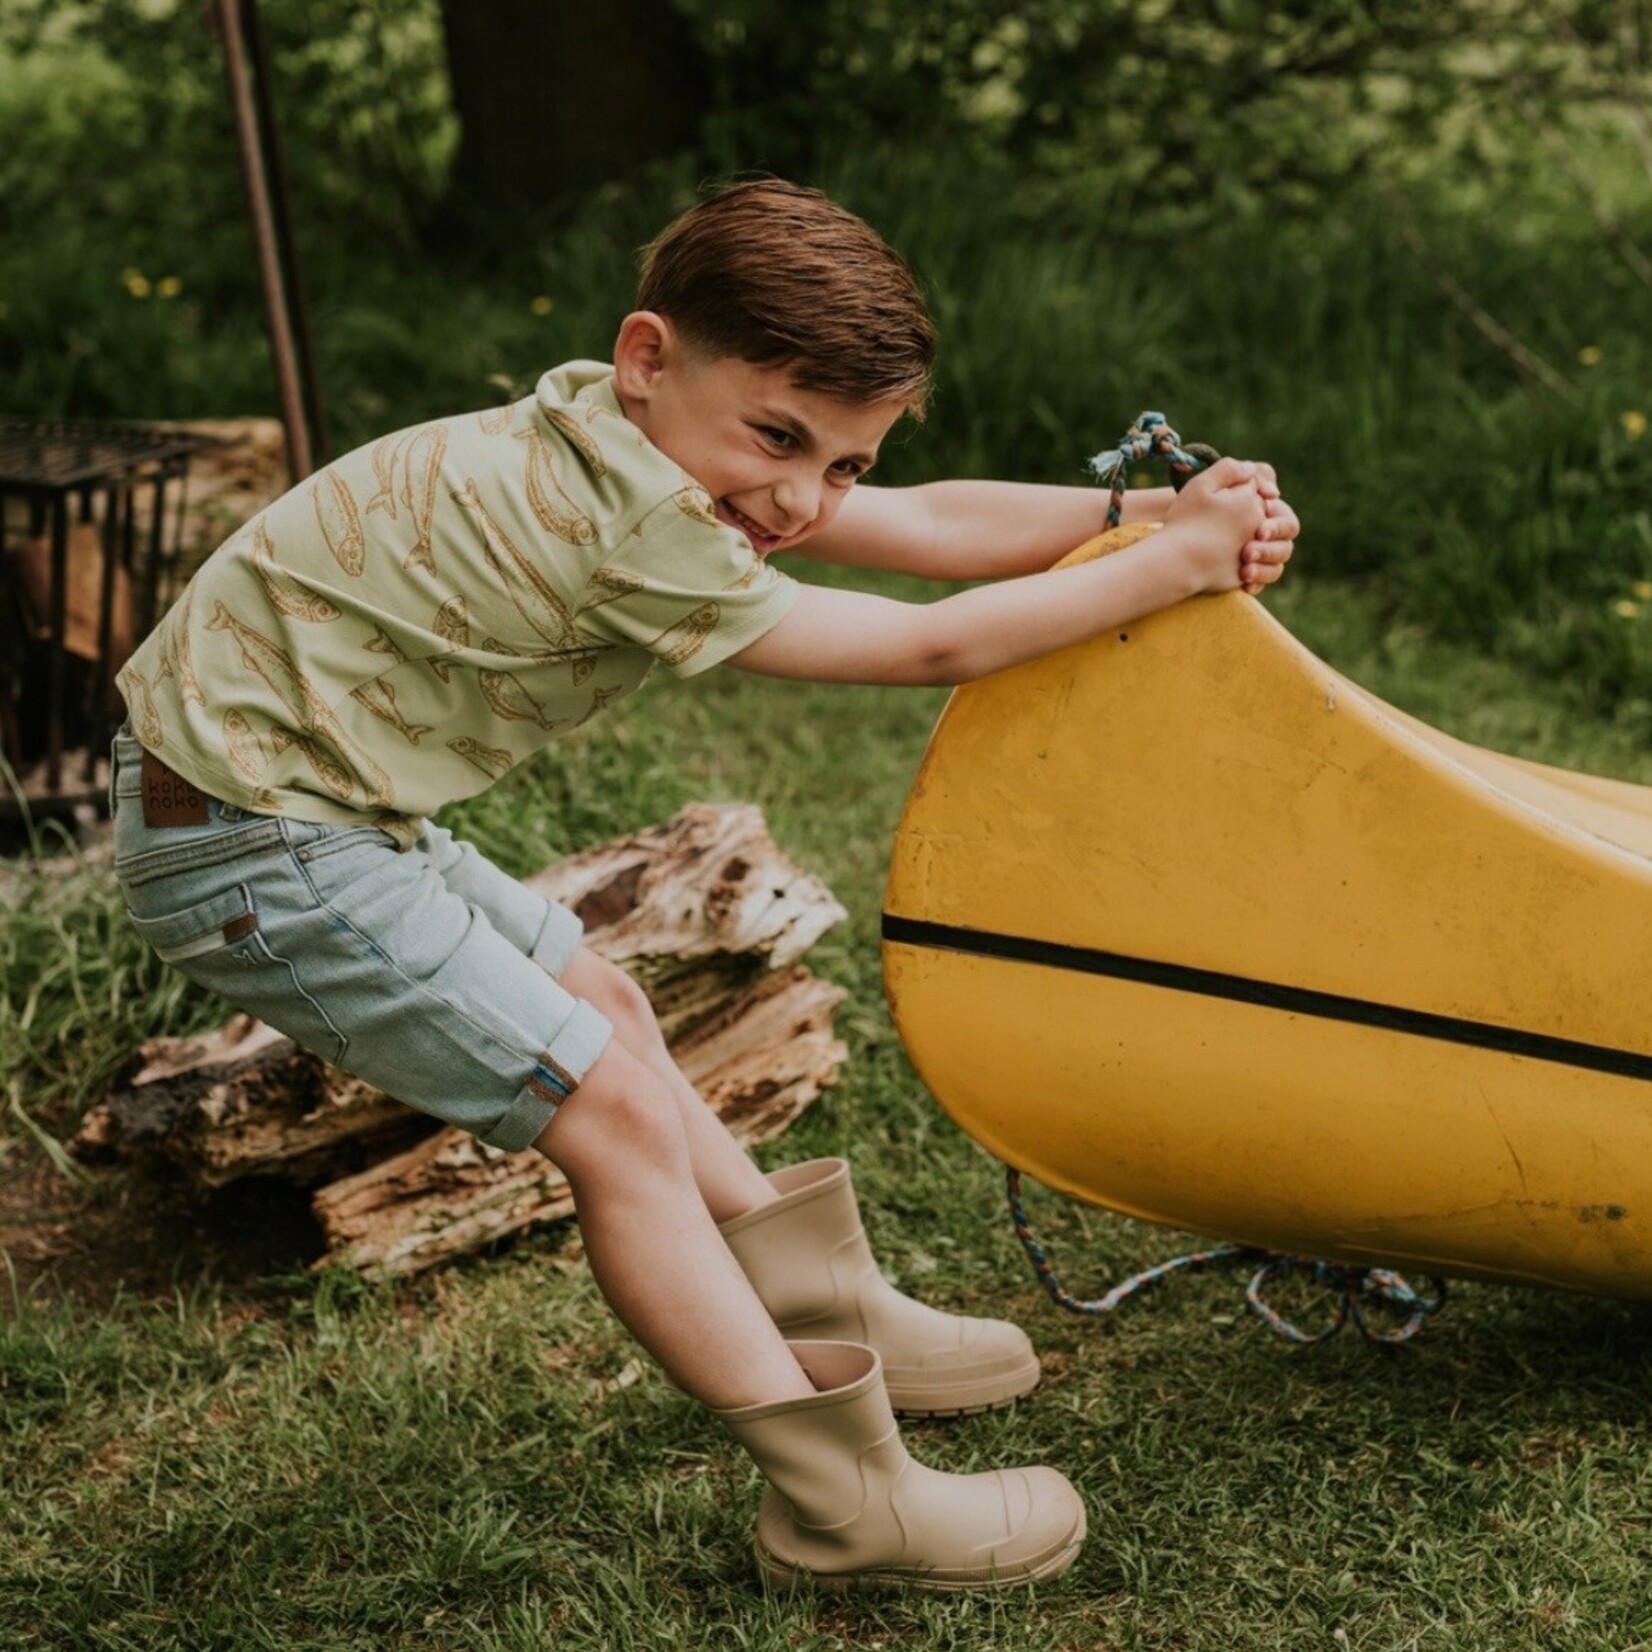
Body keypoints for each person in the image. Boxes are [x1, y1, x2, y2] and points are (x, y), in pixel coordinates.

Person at [109, 178, 1297, 1591]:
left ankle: (823, 1302)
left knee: (605, 999)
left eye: (839, 462)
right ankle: (839, 1504)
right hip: (256, 837)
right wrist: (1171, 566)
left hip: (313, 804)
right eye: (779, 437)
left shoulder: (617, 434)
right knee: (606, 1112)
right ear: (648, 356)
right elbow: (929, 641)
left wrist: (1140, 513)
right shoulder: (630, 525)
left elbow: (918, 525)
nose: (802, 497)